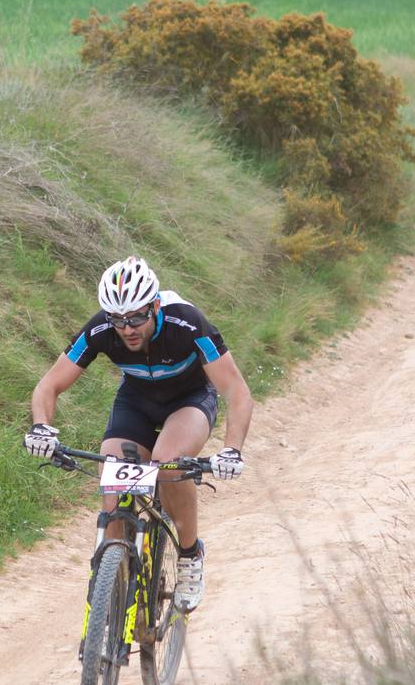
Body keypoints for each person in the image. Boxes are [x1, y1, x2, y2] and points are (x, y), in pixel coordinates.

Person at [25, 255, 253, 613]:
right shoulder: (101, 330)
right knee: (114, 479)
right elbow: (48, 385)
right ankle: (111, 585)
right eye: (118, 319)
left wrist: (232, 449)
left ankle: (190, 554)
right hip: (137, 400)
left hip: (189, 399)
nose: (127, 328)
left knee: (168, 465)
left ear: (155, 305)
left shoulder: (188, 324)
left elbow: (237, 391)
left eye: (137, 317)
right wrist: (41, 427)